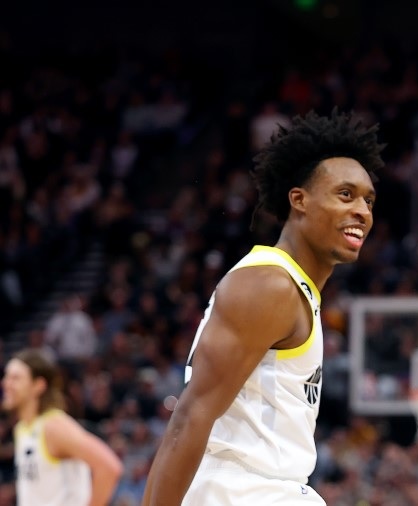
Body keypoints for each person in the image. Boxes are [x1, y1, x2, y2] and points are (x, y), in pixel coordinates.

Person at [141, 109, 384, 505]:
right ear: (299, 200)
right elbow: (189, 416)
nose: (362, 210)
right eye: (346, 194)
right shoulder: (270, 285)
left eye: (368, 200)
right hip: (243, 492)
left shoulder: (293, 288)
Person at [2, 348, 123, 506]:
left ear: (38, 385)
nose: (6, 383)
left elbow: (110, 467)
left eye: (15, 378)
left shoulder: (54, 426)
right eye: (6, 376)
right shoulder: (22, 428)